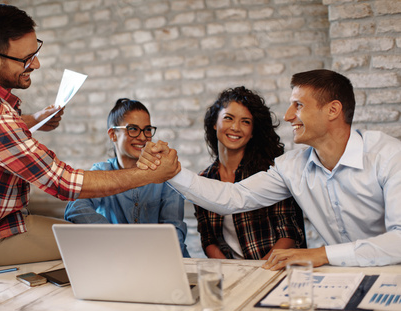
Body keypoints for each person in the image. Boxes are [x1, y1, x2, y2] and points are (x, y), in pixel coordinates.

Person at [0, 4, 179, 267]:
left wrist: (34, 120)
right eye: (26, 59)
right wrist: (150, 175)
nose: (37, 64)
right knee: (98, 244)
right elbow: (63, 183)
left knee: (87, 239)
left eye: (36, 51)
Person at [137, 69, 401, 269]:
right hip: (341, 278)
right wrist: (172, 171)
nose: (288, 115)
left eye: (298, 105)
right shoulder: (291, 167)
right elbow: (233, 197)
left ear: (333, 110)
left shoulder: (388, 156)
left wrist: (321, 254)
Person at [64, 98, 190, 257]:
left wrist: (152, 257)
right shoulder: (102, 172)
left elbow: (174, 229)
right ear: (113, 134)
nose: (143, 137)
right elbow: (75, 209)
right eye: (133, 129)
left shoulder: (163, 174)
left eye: (147, 129)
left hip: (162, 259)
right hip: (119, 260)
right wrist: (118, 241)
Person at [195, 87, 305, 260]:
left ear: (253, 132)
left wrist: (256, 272)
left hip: (272, 269)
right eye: (228, 118)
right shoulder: (203, 180)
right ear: (215, 123)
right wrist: (230, 274)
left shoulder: (270, 173)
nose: (235, 127)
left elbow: (289, 235)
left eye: (245, 121)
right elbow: (209, 239)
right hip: (231, 275)